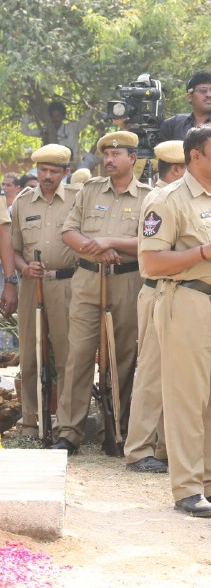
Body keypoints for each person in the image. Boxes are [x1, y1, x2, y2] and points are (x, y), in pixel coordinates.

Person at [140, 123, 211, 517]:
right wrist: (204, 252)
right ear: (195, 156)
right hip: (188, 303)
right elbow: (151, 262)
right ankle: (187, 488)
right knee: (189, 398)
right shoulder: (166, 200)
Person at [52, 131, 151, 454]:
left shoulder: (148, 197)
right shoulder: (89, 190)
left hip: (126, 281)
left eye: (117, 154)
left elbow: (151, 242)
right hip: (87, 280)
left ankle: (118, 429)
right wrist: (95, 250)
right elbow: (68, 231)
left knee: (123, 356)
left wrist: (112, 244)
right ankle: (69, 432)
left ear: (133, 159)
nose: (109, 159)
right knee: (78, 355)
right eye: (106, 155)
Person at [123, 140, 187, 473]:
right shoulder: (160, 199)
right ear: (178, 169)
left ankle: (162, 446)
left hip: (179, 295)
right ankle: (138, 448)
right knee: (151, 372)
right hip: (158, 291)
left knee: (174, 375)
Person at [9, 144, 77, 438]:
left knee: (67, 356)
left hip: (67, 284)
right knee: (30, 354)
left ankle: (65, 425)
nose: (47, 176)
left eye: (54, 171)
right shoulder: (23, 201)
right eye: (43, 170)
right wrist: (24, 268)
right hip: (31, 285)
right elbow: (13, 249)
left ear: (66, 172)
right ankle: (29, 423)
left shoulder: (78, 198)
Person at [21, 101, 93, 164]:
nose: (55, 119)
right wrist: (28, 114)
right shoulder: (45, 130)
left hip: (73, 165)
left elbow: (85, 120)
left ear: (63, 116)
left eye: (58, 116)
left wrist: (89, 108)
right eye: (53, 116)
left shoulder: (72, 127)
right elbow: (25, 131)